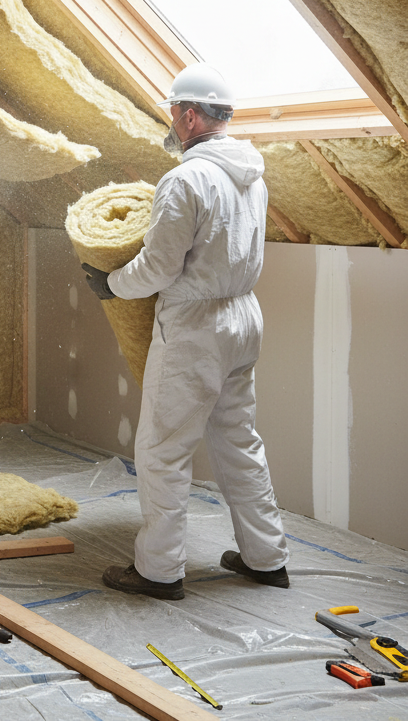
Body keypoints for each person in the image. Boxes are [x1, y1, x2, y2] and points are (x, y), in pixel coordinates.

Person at [82, 64, 289, 599]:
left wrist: (111, 284)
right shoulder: (252, 173)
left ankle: (157, 571)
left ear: (192, 116)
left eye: (174, 112)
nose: (172, 122)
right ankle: (267, 558)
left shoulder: (185, 179)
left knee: (162, 450)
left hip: (196, 326)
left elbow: (159, 267)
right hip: (243, 317)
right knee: (238, 441)